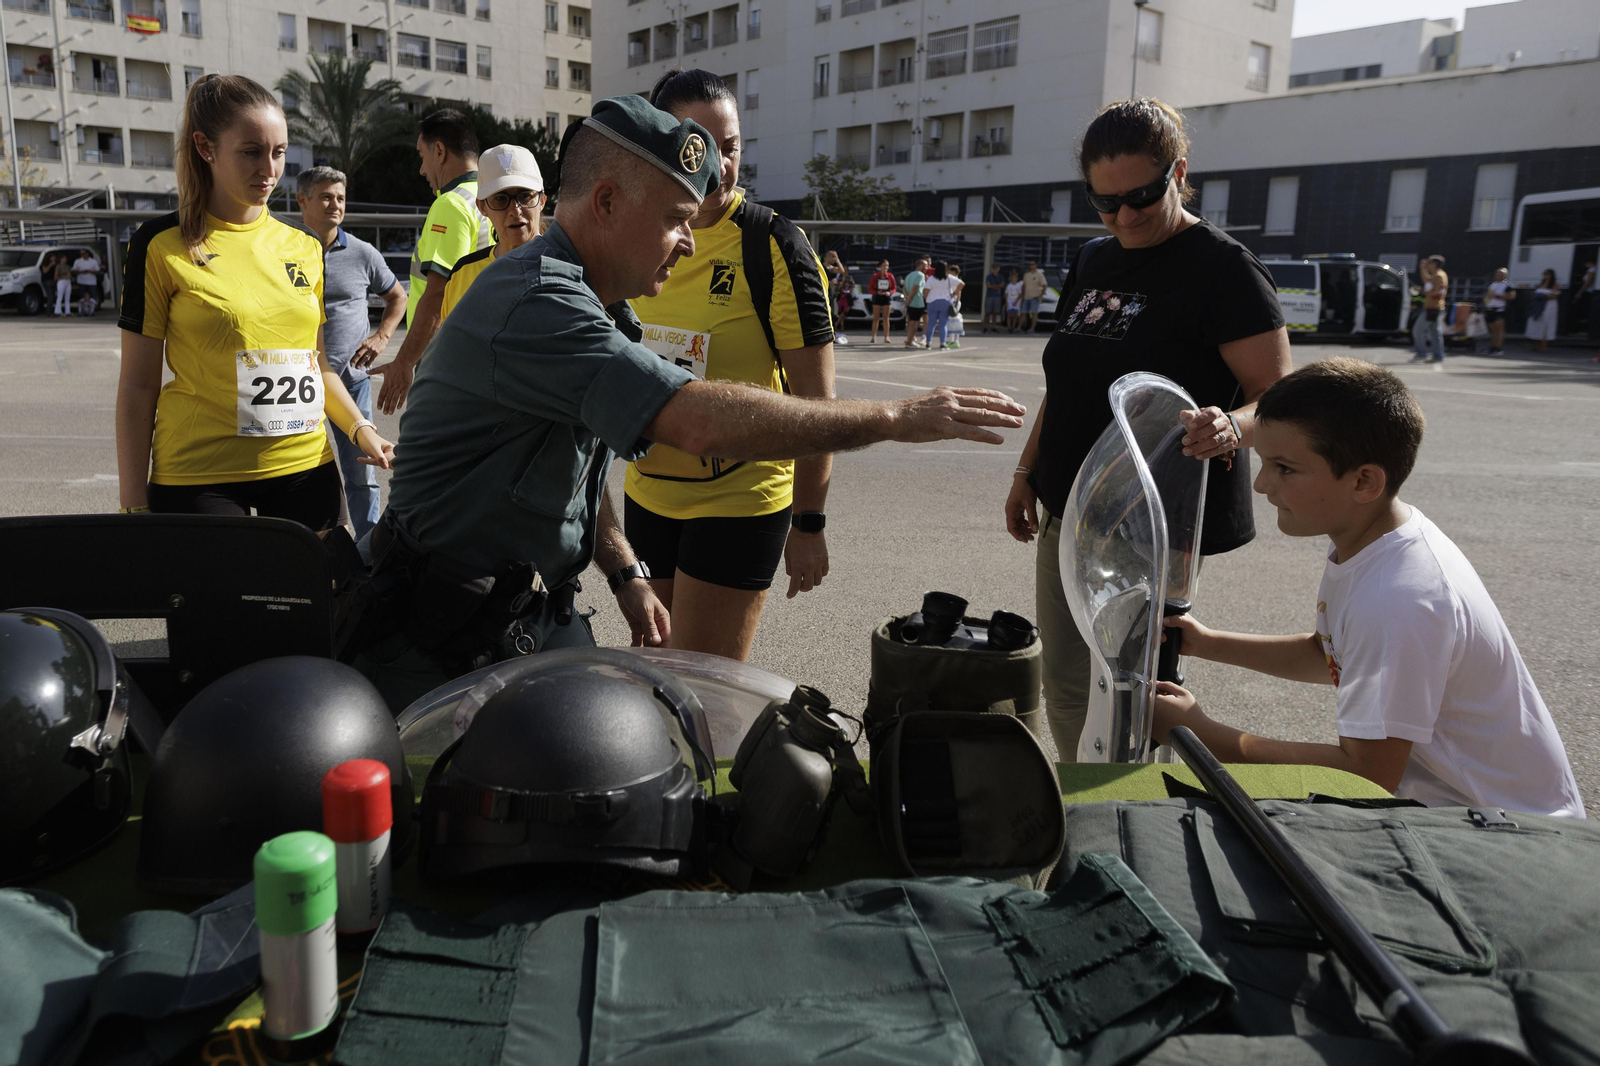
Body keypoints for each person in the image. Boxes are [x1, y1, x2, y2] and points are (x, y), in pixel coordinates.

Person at [350, 95, 1024, 712]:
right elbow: (697, 422)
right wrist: (894, 418)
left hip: (523, 615)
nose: (690, 241)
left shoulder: (596, 302)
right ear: (607, 203)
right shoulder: (539, 300)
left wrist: (623, 568)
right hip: (438, 638)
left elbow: (576, 455)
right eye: (675, 220)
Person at [1152, 358, 1584, 817]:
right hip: (1462, 813)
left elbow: (1364, 776)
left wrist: (1195, 733)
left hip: (1501, 834)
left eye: (1284, 468)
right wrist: (1211, 644)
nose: (1261, 485)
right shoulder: (1379, 542)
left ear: (1364, 481)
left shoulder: (1397, 598)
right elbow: (1332, 655)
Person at [1003, 98, 1290, 762]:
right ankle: (1083, 816)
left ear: (1179, 173)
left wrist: (1232, 426)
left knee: (1135, 698)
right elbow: (1067, 383)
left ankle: (1134, 823)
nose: (1122, 215)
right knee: (1068, 683)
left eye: (1140, 196)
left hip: (1149, 529)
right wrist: (1025, 473)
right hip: (1066, 512)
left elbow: (1276, 396)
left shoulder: (1224, 269)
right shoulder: (1096, 260)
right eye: (1103, 202)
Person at [619, 69, 837, 663]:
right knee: (660, 676)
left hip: (740, 498)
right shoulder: (630, 239)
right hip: (647, 496)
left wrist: (809, 522)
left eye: (732, 148)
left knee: (707, 686)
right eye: (699, 147)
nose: (718, 165)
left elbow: (817, 407)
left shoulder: (773, 248)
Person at [116, 74, 394, 530]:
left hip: (304, 467)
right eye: (251, 152)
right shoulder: (160, 245)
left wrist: (362, 430)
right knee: (220, 603)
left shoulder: (303, 247)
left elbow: (317, 365)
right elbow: (137, 388)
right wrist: (132, 507)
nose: (269, 170)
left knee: (323, 599)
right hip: (199, 476)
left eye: (279, 152)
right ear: (206, 148)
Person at [295, 165, 407, 543]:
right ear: (302, 200)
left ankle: (367, 552)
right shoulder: (283, 248)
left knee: (361, 474)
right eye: (326, 196)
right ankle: (308, 552)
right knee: (300, 476)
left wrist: (382, 336)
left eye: (340, 198)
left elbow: (397, 296)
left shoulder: (362, 253)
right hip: (297, 389)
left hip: (351, 384)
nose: (335, 205)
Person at [359, 109, 492, 415]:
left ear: (440, 151)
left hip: (447, 363)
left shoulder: (451, 204)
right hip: (480, 354)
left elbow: (436, 297)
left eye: (422, 155)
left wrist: (405, 363)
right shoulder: (492, 200)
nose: (421, 169)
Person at [438, 144, 546, 322]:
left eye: (525, 196)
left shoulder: (569, 268)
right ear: (482, 207)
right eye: (500, 199)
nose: (515, 210)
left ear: (542, 200)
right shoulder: (463, 274)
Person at [1410, 254, 1448, 365]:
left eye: (1429, 263)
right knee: (1435, 333)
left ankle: (1422, 353)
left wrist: (1422, 291)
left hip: (1432, 307)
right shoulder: (1438, 275)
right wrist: (1423, 268)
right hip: (1435, 307)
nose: (1428, 265)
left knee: (1417, 330)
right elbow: (1427, 279)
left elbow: (1436, 292)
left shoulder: (1439, 276)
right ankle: (1438, 355)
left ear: (1435, 264)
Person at [1525, 268, 1560, 353]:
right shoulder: (1541, 284)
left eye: (1548, 275)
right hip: (1538, 306)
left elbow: (1554, 296)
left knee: (1546, 324)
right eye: (1545, 274)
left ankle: (1544, 346)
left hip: (1548, 306)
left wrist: (1543, 297)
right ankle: (1536, 344)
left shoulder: (1555, 284)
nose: (1546, 276)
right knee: (1537, 324)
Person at [923, 260, 955, 350]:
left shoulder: (931, 278)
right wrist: (954, 293)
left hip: (932, 302)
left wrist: (925, 297)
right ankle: (942, 343)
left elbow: (926, 290)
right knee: (943, 324)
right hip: (945, 302)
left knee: (931, 323)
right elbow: (961, 284)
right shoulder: (949, 278)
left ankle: (928, 343)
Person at [1483, 266, 1514, 354]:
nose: (1500, 276)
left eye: (1502, 275)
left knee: (1499, 329)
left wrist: (1497, 296)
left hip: (1499, 309)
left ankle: (1498, 348)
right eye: (1498, 274)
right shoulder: (1493, 284)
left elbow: (1511, 296)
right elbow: (1489, 294)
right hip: (1490, 308)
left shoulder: (1507, 285)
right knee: (1493, 330)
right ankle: (1492, 347)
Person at [823, 249, 852, 344]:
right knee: (824, 313)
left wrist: (838, 260)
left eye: (835, 256)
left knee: (831, 313)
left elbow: (842, 270)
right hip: (822, 291)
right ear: (827, 256)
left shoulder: (832, 268)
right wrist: (829, 282)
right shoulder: (821, 267)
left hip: (830, 293)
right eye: (832, 256)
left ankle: (832, 333)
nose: (834, 258)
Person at [867, 258, 897, 343]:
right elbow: (870, 288)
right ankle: (874, 336)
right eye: (884, 265)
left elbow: (894, 287)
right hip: (877, 297)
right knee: (876, 318)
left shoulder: (890, 276)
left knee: (886, 318)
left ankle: (886, 337)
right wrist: (876, 292)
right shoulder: (875, 276)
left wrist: (889, 292)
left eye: (887, 266)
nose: (886, 267)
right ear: (880, 266)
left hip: (887, 297)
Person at [903, 256, 928, 347]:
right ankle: (910, 341)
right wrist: (909, 298)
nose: (927, 268)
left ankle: (909, 340)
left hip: (910, 303)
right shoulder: (921, 275)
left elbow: (904, 289)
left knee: (911, 322)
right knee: (915, 323)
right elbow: (915, 288)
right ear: (921, 265)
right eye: (926, 266)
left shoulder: (909, 275)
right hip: (917, 302)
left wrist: (907, 297)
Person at [1019, 259, 1048, 332]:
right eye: (1030, 264)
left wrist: (1041, 295)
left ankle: (1032, 328)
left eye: (1032, 264)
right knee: (1023, 313)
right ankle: (1019, 328)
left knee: (1034, 313)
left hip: (1035, 297)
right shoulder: (1026, 275)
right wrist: (1022, 294)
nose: (1031, 266)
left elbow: (1044, 285)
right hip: (1026, 297)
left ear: (1035, 265)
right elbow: (1024, 286)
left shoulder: (1039, 275)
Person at [71, 248, 102, 314]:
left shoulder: (93, 261)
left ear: (87, 254)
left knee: (92, 297)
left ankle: (92, 310)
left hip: (91, 282)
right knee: (82, 298)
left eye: (83, 253)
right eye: (81, 254)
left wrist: (90, 271)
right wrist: (80, 271)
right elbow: (74, 270)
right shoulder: (78, 261)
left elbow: (98, 271)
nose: (82, 255)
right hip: (82, 282)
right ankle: (83, 310)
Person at [946, 263, 966, 349]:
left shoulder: (955, 281)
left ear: (954, 272)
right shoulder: (954, 280)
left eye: (950, 272)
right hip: (955, 302)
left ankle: (953, 341)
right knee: (954, 322)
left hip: (954, 302)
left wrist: (957, 301)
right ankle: (954, 340)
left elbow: (958, 293)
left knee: (952, 322)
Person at [982, 264, 1007, 332]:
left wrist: (993, 286)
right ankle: (985, 326)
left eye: (997, 268)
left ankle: (994, 326)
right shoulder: (989, 277)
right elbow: (988, 285)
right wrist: (997, 286)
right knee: (987, 312)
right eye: (994, 268)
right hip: (989, 296)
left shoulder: (1001, 277)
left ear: (999, 269)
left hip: (997, 296)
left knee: (995, 313)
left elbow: (1002, 285)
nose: (995, 269)